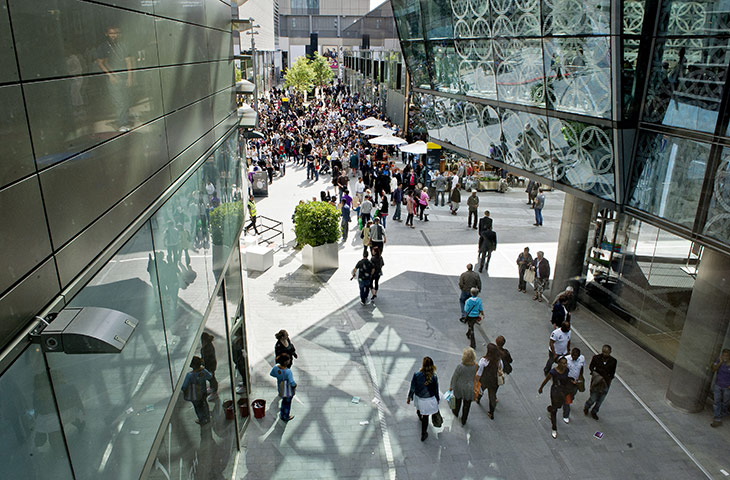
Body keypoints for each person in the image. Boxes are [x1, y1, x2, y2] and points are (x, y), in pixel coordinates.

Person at [407, 356, 440, 441]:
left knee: (419, 407)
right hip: (429, 399)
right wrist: (437, 399)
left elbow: (413, 387)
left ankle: (419, 414)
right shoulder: (434, 376)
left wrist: (409, 397)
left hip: (419, 397)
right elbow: (436, 389)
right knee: (426, 417)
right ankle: (423, 433)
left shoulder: (417, 375)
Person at [538, 356, 572, 438]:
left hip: (563, 391)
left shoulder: (566, 370)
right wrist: (541, 388)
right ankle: (554, 428)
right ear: (558, 363)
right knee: (555, 410)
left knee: (558, 406)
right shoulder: (553, 372)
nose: (564, 365)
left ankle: (550, 408)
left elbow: (566, 380)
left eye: (565, 363)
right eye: (562, 363)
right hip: (555, 391)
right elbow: (546, 380)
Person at [584, 345, 617, 420]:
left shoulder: (613, 361)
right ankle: (587, 406)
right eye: (603, 352)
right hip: (597, 381)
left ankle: (594, 411)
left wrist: (609, 379)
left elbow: (613, 372)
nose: (605, 354)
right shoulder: (596, 358)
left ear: (610, 352)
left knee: (601, 399)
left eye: (607, 352)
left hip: (606, 382)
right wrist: (595, 374)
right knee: (593, 397)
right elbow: (591, 367)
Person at [182, 356, 213, 425]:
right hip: (203, 392)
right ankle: (207, 417)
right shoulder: (203, 371)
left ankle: (201, 419)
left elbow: (183, 386)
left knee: (198, 407)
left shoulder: (189, 375)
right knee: (204, 404)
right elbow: (210, 376)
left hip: (195, 395)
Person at [450, 347, 477, 426]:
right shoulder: (475, 366)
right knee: (467, 405)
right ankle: (464, 419)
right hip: (470, 388)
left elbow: (455, 377)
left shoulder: (460, 366)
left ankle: (456, 412)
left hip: (459, 387)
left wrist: (452, 386)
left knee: (457, 401)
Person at [476, 343, 503, 420]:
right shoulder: (498, 360)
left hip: (485, 380)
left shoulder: (483, 360)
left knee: (481, 390)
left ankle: (478, 399)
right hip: (494, 381)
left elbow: (479, 373)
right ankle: (491, 413)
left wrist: (476, 381)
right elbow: (501, 369)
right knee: (492, 396)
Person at [270, 353, 296, 422]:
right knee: (287, 403)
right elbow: (292, 382)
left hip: (280, 387)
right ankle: (286, 416)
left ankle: (282, 414)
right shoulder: (288, 371)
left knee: (283, 401)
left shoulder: (276, 367)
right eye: (289, 360)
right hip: (287, 390)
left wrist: (279, 376)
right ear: (285, 362)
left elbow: (272, 374)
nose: (290, 360)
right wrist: (295, 385)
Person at [563, 347, 585, 424]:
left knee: (573, 395)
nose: (574, 357)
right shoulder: (566, 359)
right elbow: (563, 370)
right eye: (573, 355)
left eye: (576, 356)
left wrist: (580, 378)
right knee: (567, 399)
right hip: (568, 381)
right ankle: (566, 415)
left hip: (576, 381)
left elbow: (582, 368)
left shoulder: (582, 359)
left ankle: (568, 400)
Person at [711, 349, 730, 427]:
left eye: (727, 356)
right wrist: (720, 362)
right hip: (718, 385)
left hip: (727, 387)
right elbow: (713, 369)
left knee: (725, 402)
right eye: (723, 355)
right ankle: (717, 418)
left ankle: (722, 414)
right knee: (716, 401)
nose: (725, 357)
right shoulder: (719, 360)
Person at [200, 333, 218, 400]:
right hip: (209, 365)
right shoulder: (207, 346)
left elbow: (207, 358)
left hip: (210, 366)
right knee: (210, 378)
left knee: (212, 378)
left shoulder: (207, 347)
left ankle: (214, 391)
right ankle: (212, 388)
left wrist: (202, 362)